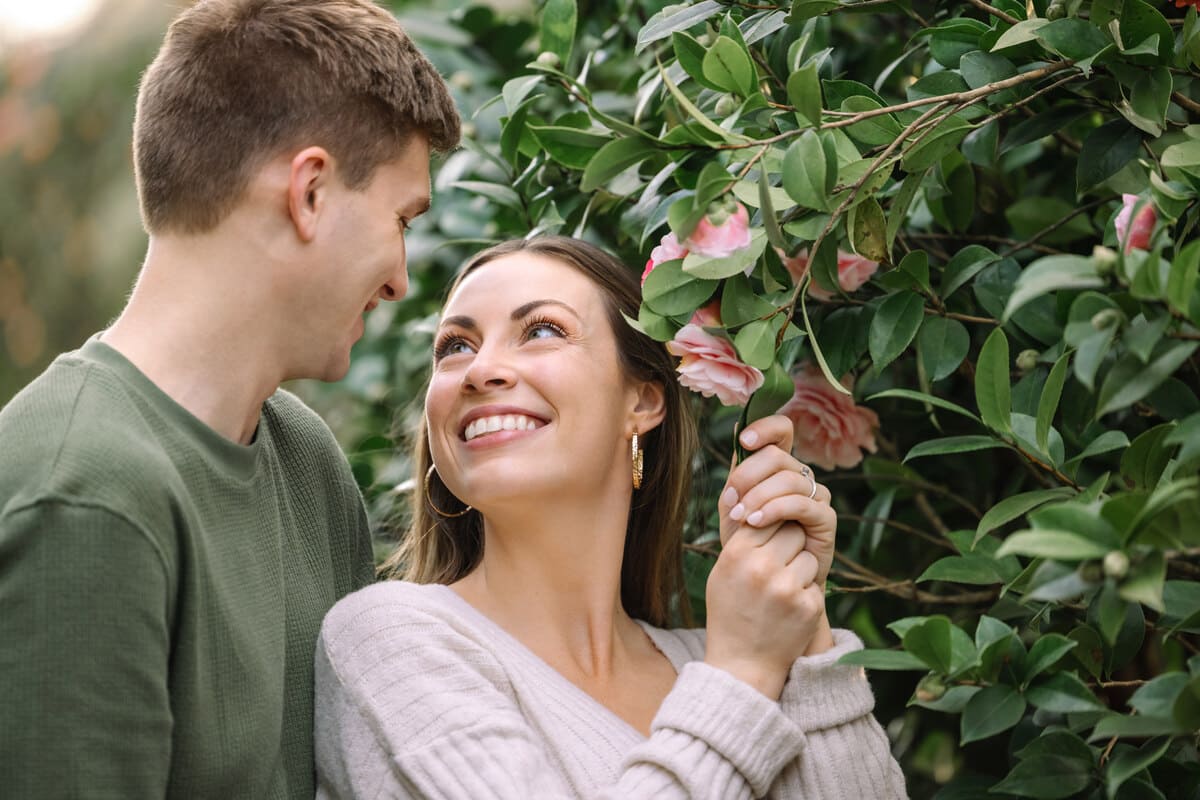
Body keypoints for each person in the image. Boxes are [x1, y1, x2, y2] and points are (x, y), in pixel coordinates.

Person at [0, 1, 460, 796]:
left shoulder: (306, 460)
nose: (401, 278)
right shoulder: (82, 492)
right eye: (402, 219)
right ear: (310, 191)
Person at [314, 237, 907, 798]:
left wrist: (801, 625)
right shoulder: (389, 641)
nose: (479, 370)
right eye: (455, 347)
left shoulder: (720, 657)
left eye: (541, 330)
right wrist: (744, 673)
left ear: (643, 401)